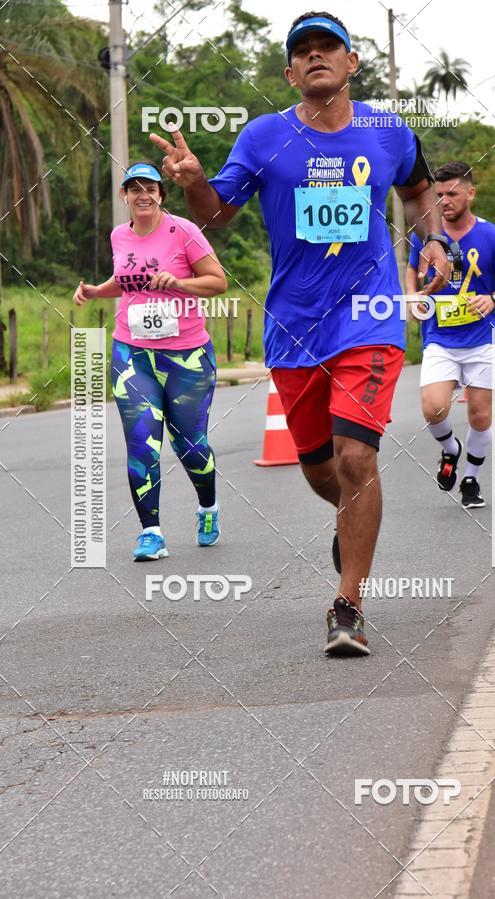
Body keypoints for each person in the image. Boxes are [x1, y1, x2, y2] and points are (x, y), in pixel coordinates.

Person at [150, 11, 449, 655]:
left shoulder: (387, 130)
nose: (316, 57)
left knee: (356, 457)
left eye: (328, 48)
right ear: (289, 72)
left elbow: (419, 191)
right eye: (303, 51)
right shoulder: (264, 138)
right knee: (320, 471)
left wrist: (434, 240)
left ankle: (348, 606)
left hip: (369, 316)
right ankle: (349, 524)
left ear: (352, 62)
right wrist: (197, 182)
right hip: (293, 323)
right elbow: (218, 215)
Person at [73, 161, 227, 560]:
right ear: (124, 195)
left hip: (187, 356)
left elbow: (217, 281)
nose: (143, 194)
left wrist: (179, 282)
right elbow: (123, 281)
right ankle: (151, 533)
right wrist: (94, 292)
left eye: (151, 188)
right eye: (134, 188)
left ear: (161, 194)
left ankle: (208, 508)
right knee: (142, 443)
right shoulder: (119, 236)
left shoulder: (183, 232)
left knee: (191, 446)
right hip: (132, 353)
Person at [407, 161, 495, 509]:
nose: (444, 201)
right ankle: (450, 449)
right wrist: (412, 296)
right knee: (433, 408)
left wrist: (494, 298)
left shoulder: (492, 235)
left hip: (484, 340)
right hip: (440, 337)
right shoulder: (426, 235)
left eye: (452, 193)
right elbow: (413, 271)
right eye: (438, 194)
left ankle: (470, 478)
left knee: (481, 416)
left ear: (470, 193)